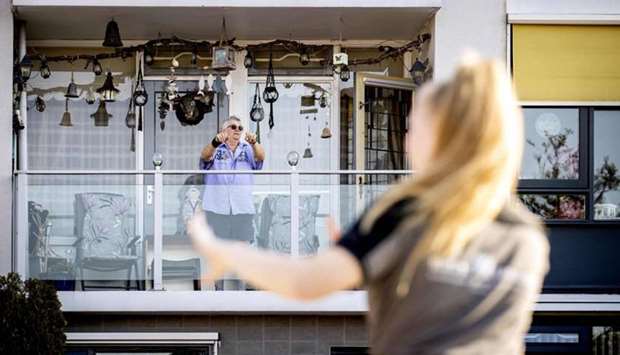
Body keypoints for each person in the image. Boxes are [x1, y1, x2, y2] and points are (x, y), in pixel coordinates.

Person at [189, 57, 549, 354]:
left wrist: (221, 251)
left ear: (441, 137)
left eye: (412, 129)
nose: (406, 143)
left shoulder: (403, 216)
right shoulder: (528, 239)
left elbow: (303, 282)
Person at [199, 116, 265, 290]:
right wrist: (214, 142)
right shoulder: (216, 148)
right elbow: (204, 156)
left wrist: (254, 143)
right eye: (233, 127)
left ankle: (241, 291)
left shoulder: (247, 148)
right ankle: (219, 291)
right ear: (224, 131)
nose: (237, 130)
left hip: (242, 206)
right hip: (217, 206)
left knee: (242, 249)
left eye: (240, 128)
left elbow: (260, 158)